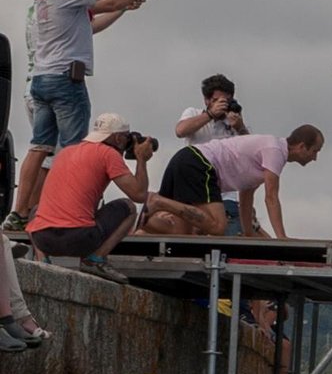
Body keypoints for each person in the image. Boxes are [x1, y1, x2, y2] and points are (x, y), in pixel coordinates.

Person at [7, 0, 167, 231]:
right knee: (72, 153)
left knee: (38, 148)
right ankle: (63, 214)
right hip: (66, 81)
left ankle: (19, 213)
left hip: (40, 81)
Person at [25, 114, 202, 282]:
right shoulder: (108, 154)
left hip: (44, 239)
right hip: (78, 239)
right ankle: (96, 260)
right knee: (129, 207)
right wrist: (141, 159)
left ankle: (43, 262)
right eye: (126, 138)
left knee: (37, 211)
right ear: (118, 138)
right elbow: (139, 195)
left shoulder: (66, 152)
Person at [141, 125, 325, 238]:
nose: (315, 158)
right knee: (218, 226)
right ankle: (159, 201)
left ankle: (144, 217)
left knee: (183, 238)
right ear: (302, 147)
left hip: (185, 158)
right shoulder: (275, 151)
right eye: (315, 151)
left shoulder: (268, 151)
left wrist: (247, 234)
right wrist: (282, 237)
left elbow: (246, 197)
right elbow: (271, 198)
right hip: (200, 163)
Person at [173, 73, 250, 234]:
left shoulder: (233, 122)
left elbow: (251, 152)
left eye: (226, 101)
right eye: (218, 101)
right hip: (196, 189)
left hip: (225, 194)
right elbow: (180, 131)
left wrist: (240, 128)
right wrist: (210, 114)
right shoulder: (194, 113)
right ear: (207, 100)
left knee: (231, 234)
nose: (223, 105)